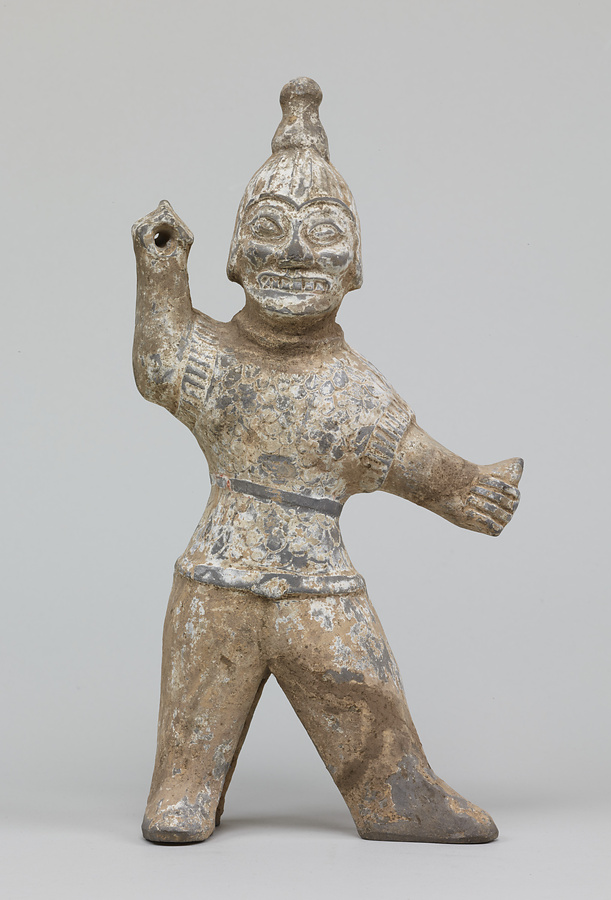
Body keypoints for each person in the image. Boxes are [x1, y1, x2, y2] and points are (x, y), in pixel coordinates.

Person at [132, 77, 522, 844]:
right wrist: (161, 273)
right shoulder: (215, 360)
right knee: (193, 719)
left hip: (318, 590)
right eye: (269, 228)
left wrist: (465, 486)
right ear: (236, 258)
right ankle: (184, 790)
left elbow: (409, 460)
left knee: (362, 690)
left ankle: (396, 794)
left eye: (323, 232)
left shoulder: (355, 393)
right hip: (217, 579)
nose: (293, 251)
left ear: (354, 268)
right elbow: (159, 366)